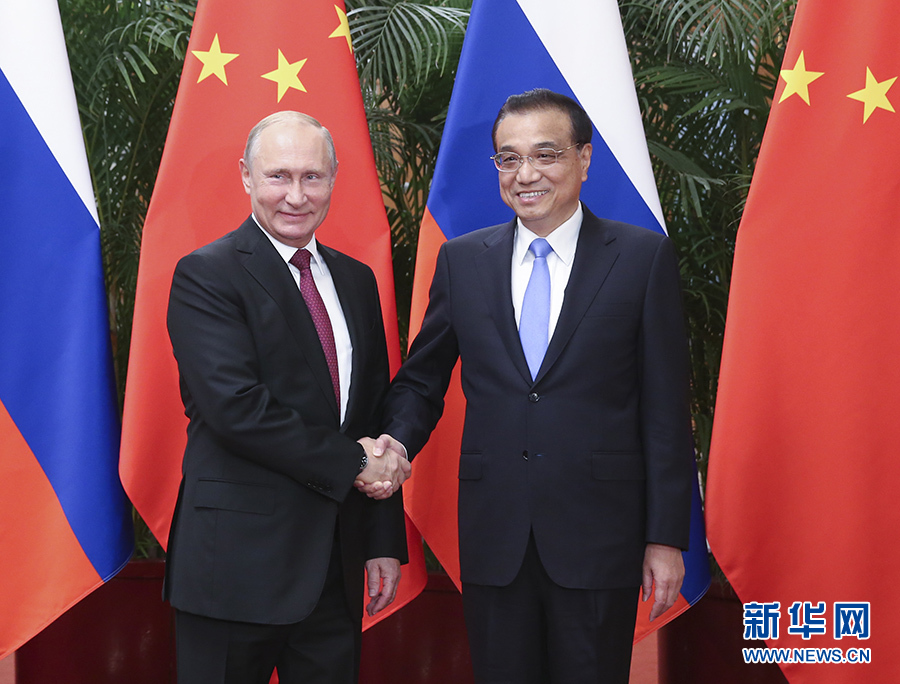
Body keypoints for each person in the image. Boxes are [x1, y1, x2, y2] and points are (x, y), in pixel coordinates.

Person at [373, 89, 694, 683]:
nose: (526, 174)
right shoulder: (463, 261)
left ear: (583, 158)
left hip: (600, 538)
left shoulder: (641, 259)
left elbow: (665, 410)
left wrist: (665, 538)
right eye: (509, 158)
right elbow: (422, 379)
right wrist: (394, 443)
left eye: (545, 155)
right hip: (495, 537)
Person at [165, 110, 410, 684]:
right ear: (246, 176)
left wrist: (381, 539)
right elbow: (236, 409)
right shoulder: (206, 275)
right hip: (234, 571)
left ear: (333, 179)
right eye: (278, 176)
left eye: (312, 177)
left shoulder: (357, 280)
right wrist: (355, 463)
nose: (296, 196)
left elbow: (372, 413)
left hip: (334, 571)